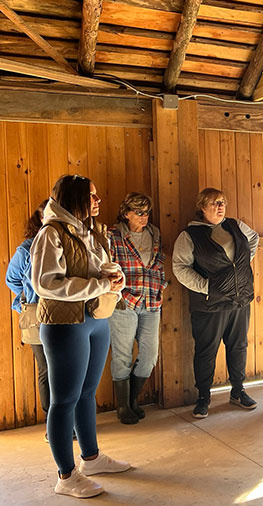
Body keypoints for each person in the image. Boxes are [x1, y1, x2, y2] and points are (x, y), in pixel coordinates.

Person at [31, 175, 130, 498]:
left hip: (95, 318)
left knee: (87, 393)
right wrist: (102, 285)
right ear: (74, 198)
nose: (99, 200)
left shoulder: (90, 229)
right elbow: (46, 283)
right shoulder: (51, 233)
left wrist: (113, 274)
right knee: (63, 401)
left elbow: (97, 268)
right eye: (92, 195)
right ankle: (65, 475)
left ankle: (92, 458)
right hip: (65, 324)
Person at [173, 187, 259, 419]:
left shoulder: (235, 225)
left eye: (222, 202)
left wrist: (240, 267)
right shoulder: (190, 235)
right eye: (213, 203)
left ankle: (238, 391)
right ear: (202, 207)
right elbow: (180, 268)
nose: (220, 207)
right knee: (206, 351)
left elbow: (254, 238)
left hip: (239, 300)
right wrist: (207, 287)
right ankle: (204, 397)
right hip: (209, 305)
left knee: (239, 346)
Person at [108, 193, 166, 425]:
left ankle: (132, 399)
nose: (144, 217)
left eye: (146, 212)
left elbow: (158, 263)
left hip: (152, 300)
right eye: (139, 212)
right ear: (126, 213)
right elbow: (108, 266)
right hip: (124, 301)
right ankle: (123, 406)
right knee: (122, 355)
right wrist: (117, 293)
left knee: (150, 355)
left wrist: (161, 285)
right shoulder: (114, 235)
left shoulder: (155, 233)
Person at [6, 200, 50, 433]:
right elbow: (11, 279)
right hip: (36, 314)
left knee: (62, 369)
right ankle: (51, 424)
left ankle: (66, 421)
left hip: (62, 312)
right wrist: (28, 297)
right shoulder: (26, 249)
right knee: (46, 369)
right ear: (40, 218)